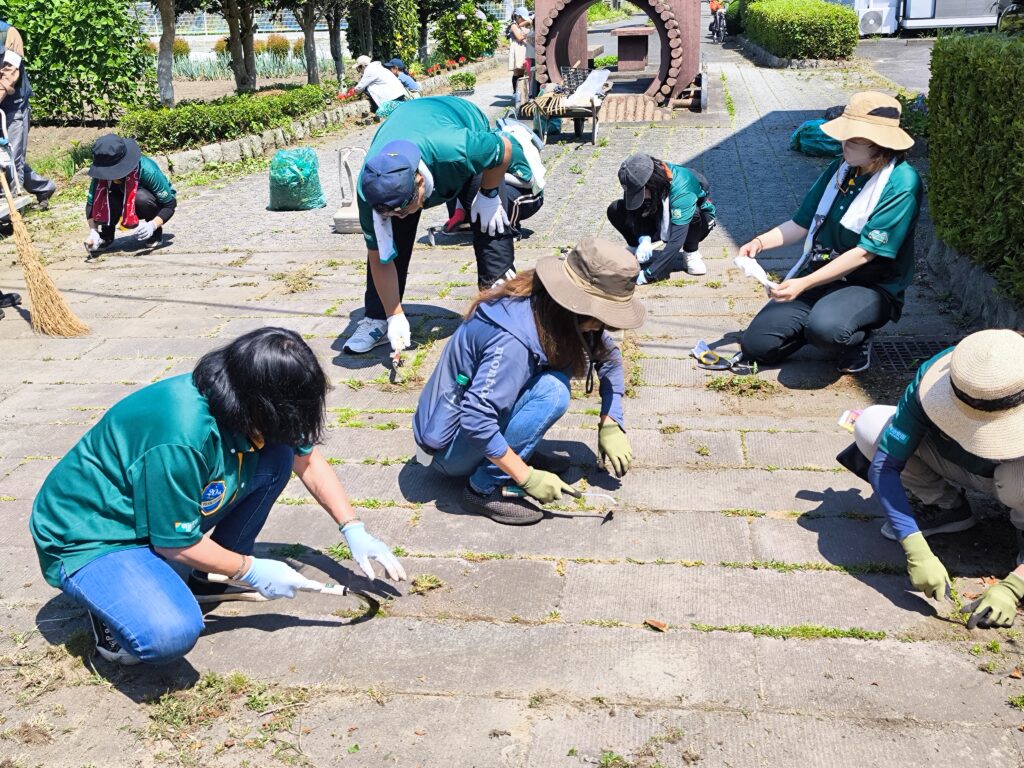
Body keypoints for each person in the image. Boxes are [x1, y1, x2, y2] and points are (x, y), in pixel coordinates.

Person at [29, 328, 406, 665]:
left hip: (156, 510)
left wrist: (353, 528)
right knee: (169, 634)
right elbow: (174, 544)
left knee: (277, 455)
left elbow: (307, 459)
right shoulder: (181, 435)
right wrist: (250, 569)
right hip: (93, 533)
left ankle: (206, 577)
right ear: (260, 406)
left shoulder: (246, 398)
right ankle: (110, 604)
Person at [413, 237, 645, 524]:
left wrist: (611, 419)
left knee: (557, 374)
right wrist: (526, 476)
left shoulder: (548, 304)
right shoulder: (514, 340)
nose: (603, 327)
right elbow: (475, 418)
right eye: (601, 319)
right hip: (449, 450)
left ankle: (515, 453)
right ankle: (483, 488)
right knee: (552, 392)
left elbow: (608, 358)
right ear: (578, 305)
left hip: (467, 430)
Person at [843, 329, 1024, 629]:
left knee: (1017, 478)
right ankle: (948, 508)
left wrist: (1015, 585)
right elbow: (885, 467)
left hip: (1013, 475)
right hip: (956, 463)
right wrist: (914, 547)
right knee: (870, 426)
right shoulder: (947, 374)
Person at [737, 91, 922, 374]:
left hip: (870, 285)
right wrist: (760, 242)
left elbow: (865, 253)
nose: (842, 143)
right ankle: (812, 324)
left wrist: (803, 283)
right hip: (822, 272)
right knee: (757, 347)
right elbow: (801, 224)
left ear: (879, 146)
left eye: (852, 138)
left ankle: (854, 337)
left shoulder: (902, 183)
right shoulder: (843, 169)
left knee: (827, 330)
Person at [345, 97, 519, 355]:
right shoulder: (369, 187)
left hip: (457, 124)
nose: (400, 216)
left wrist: (490, 194)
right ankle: (378, 318)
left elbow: (504, 148)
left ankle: (500, 313)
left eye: (404, 210)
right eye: (393, 213)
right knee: (391, 240)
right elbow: (379, 256)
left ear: (419, 182)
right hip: (406, 135)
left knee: (491, 225)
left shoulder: (460, 148)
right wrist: (394, 315)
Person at [607, 153, 716, 283]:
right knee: (615, 209)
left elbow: (676, 241)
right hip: (660, 214)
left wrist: (649, 275)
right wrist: (643, 238)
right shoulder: (637, 177)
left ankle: (691, 252)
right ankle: (636, 249)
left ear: (651, 184)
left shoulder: (682, 188)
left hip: (695, 223)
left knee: (694, 215)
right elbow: (635, 212)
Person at [84, 134, 177, 252]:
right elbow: (91, 204)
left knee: (141, 198)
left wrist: (153, 225)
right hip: (120, 199)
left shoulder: (147, 169)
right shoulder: (100, 176)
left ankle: (155, 233)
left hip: (146, 204)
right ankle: (105, 236)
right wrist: (93, 231)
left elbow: (169, 204)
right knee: (105, 198)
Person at [0, 18, 55, 209]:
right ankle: (43, 188)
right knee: (4, 156)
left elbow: (11, 72)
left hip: (14, 105)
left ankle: (14, 207)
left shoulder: (8, 34)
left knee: (12, 156)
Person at [507, 7, 533, 98]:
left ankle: (521, 91)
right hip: (517, 49)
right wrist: (529, 21)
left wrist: (530, 21)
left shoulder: (520, 25)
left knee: (522, 71)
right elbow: (519, 37)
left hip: (523, 48)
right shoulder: (513, 25)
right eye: (522, 18)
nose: (523, 20)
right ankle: (515, 92)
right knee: (517, 71)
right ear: (517, 17)